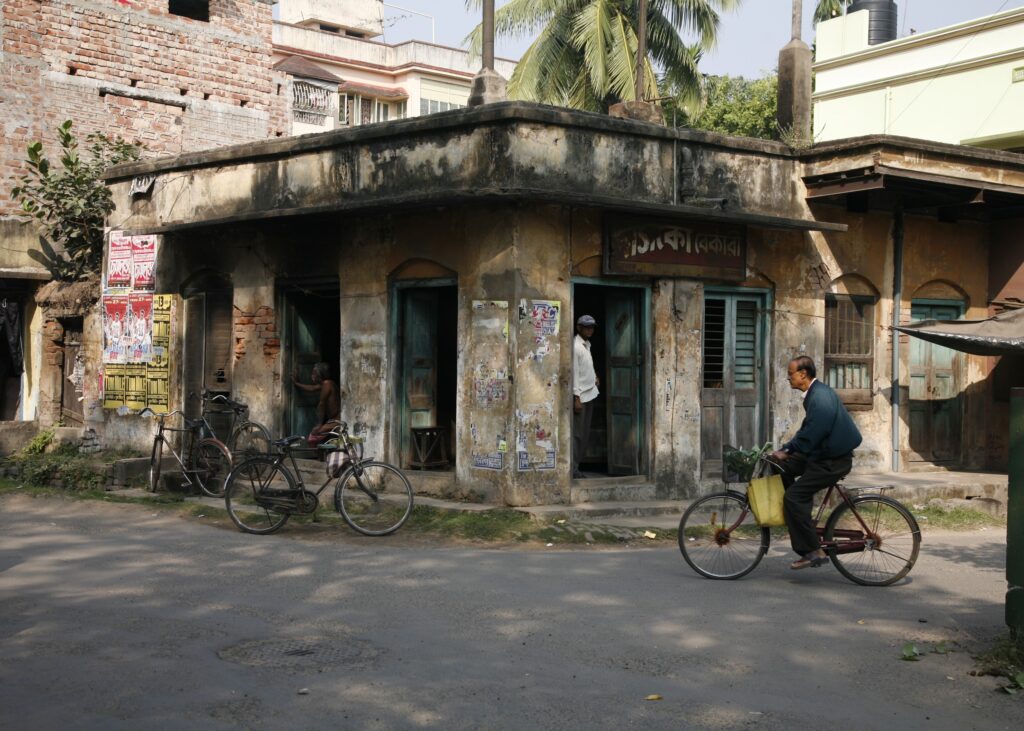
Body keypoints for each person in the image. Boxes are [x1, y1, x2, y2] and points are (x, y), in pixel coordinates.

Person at [770, 355, 862, 570]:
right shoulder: (814, 394)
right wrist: (786, 450)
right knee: (783, 467)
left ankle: (813, 550)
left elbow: (814, 431)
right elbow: (806, 430)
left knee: (793, 497)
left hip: (832, 461)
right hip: (822, 454)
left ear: (803, 374)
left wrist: (790, 448)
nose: (788, 377)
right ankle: (801, 516)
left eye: (790, 373)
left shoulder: (819, 396)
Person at [572, 314, 599, 479]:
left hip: (590, 393)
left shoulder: (586, 345)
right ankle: (573, 469)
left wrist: (595, 377)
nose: (590, 330)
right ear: (579, 328)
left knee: (585, 433)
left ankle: (577, 466)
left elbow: (587, 367)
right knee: (578, 435)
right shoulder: (576, 347)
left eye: (592, 327)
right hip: (581, 396)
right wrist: (576, 397)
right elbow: (575, 372)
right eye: (586, 327)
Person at [292, 362, 341, 447]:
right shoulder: (325, 384)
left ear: (320, 374)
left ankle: (318, 457)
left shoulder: (327, 384)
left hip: (337, 419)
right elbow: (312, 388)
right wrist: (296, 383)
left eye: (314, 373)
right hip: (333, 419)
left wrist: (319, 424)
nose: (312, 376)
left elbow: (322, 404)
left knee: (314, 435)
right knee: (322, 438)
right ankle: (321, 456)